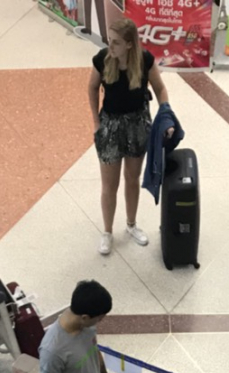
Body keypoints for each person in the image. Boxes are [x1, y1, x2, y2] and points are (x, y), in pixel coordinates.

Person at [89, 17, 172, 256]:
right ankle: (107, 231)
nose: (109, 45)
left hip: (137, 124)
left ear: (129, 44)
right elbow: (92, 87)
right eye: (109, 40)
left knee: (132, 178)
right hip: (110, 126)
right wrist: (96, 122)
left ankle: (132, 224)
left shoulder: (144, 60)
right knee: (109, 184)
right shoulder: (103, 59)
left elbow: (160, 89)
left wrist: (165, 115)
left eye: (115, 42)